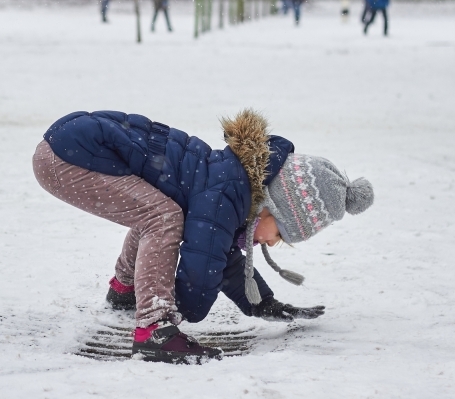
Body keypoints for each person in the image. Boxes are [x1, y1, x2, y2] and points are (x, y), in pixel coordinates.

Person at [33, 109, 374, 364]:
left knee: (158, 208)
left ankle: (126, 290)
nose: (272, 243)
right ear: (271, 208)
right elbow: (201, 269)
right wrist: (185, 308)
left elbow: (218, 253)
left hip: (70, 145)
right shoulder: (224, 194)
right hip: (69, 158)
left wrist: (262, 302)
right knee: (164, 217)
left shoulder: (230, 184)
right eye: (281, 234)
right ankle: (155, 330)